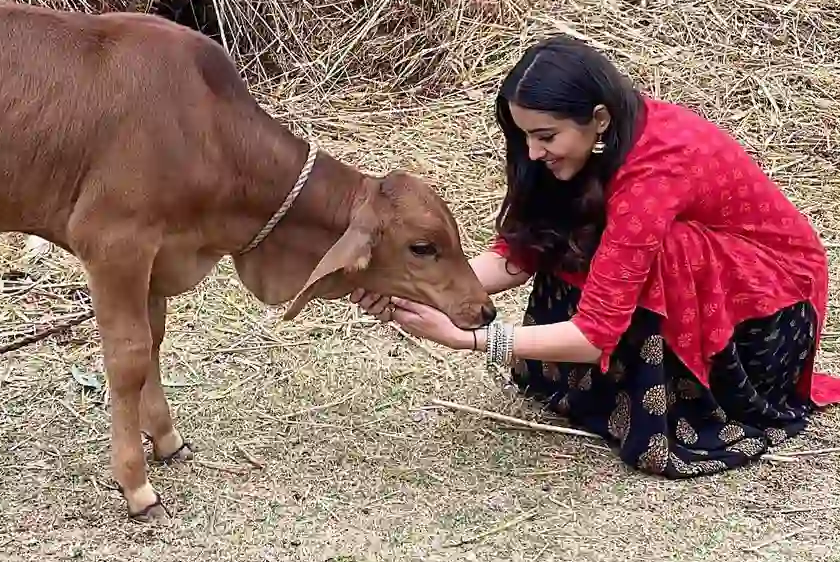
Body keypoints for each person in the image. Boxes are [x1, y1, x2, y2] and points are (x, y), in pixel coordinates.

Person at [353, 34, 840, 477]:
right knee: (583, 230)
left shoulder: (655, 173)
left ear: (599, 119)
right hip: (725, 293)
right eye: (524, 136)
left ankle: (682, 401)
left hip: (771, 317)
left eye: (546, 137)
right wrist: (412, 291)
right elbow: (520, 255)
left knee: (668, 248)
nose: (534, 152)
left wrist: (474, 340)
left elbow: (593, 335)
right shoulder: (578, 150)